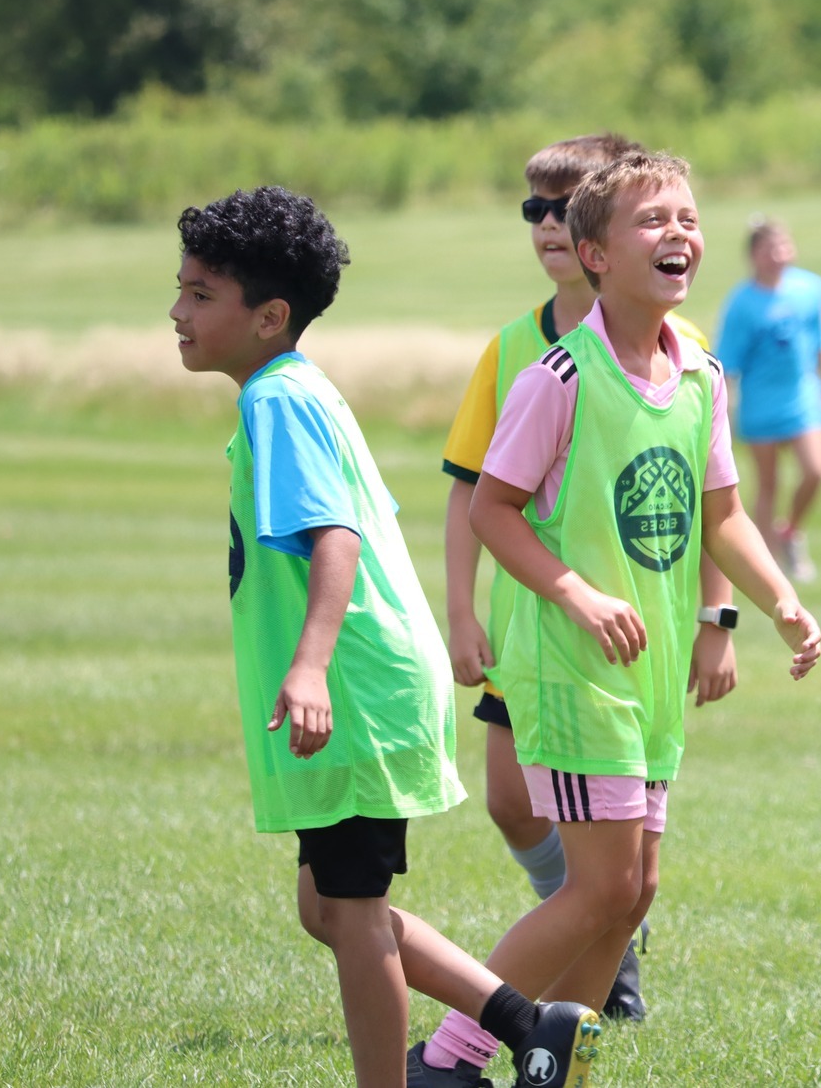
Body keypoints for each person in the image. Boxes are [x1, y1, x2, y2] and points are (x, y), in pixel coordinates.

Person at [170, 186, 603, 1088]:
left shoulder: (280, 401)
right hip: (369, 682)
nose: (177, 311)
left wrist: (311, 667)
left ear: (269, 316)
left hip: (357, 688)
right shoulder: (292, 389)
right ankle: (528, 1023)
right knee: (326, 906)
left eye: (201, 294)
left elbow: (336, 535)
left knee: (354, 913)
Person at [414, 152, 821, 1087]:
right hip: (572, 666)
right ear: (593, 254)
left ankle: (561, 1063)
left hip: (650, 678)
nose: (678, 232)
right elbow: (491, 507)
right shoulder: (558, 376)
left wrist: (780, 602)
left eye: (687, 216)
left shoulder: (701, 376)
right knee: (599, 886)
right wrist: (574, 592)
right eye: (652, 220)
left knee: (632, 891)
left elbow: (723, 513)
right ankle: (452, 1056)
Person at [441, 133, 740, 1022]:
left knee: (623, 880)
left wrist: (721, 616)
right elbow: (476, 495)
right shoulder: (524, 357)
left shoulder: (685, 352)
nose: (545, 222)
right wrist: (460, 609)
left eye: (561, 203)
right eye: (532, 206)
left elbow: (709, 500)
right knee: (515, 804)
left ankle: (583, 978)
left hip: (637, 641)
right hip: (545, 626)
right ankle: (543, 968)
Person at [715, 217, 821, 581]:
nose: (779, 255)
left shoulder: (811, 289)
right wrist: (725, 413)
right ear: (753, 255)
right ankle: (767, 567)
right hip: (761, 402)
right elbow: (728, 363)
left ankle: (791, 531)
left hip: (802, 396)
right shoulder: (742, 303)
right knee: (768, 485)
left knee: (817, 470)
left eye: (784, 246)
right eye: (770, 248)